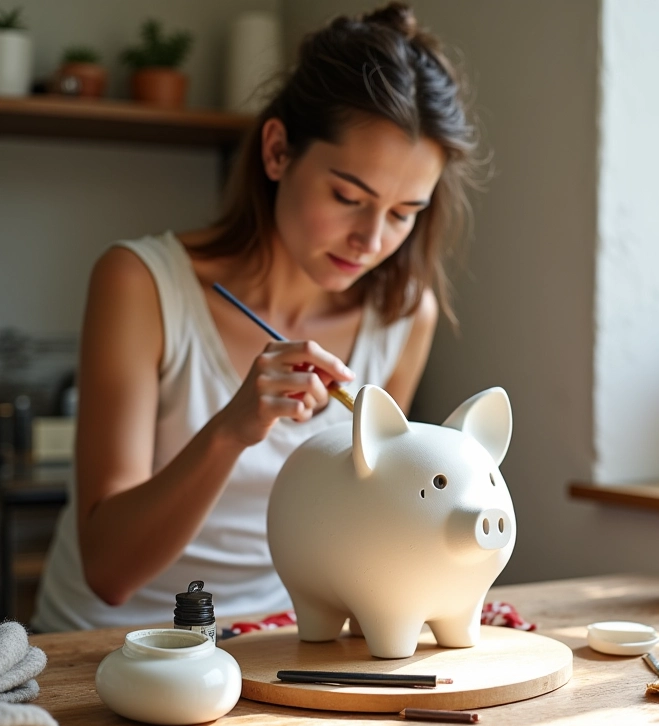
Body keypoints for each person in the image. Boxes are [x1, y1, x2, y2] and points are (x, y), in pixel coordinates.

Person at [32, 2, 482, 632]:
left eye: (404, 212)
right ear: (277, 152)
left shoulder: (404, 318)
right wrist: (232, 429)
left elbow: (369, 523)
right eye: (348, 197)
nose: (371, 239)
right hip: (112, 649)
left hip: (282, 646)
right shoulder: (141, 282)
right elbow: (109, 572)